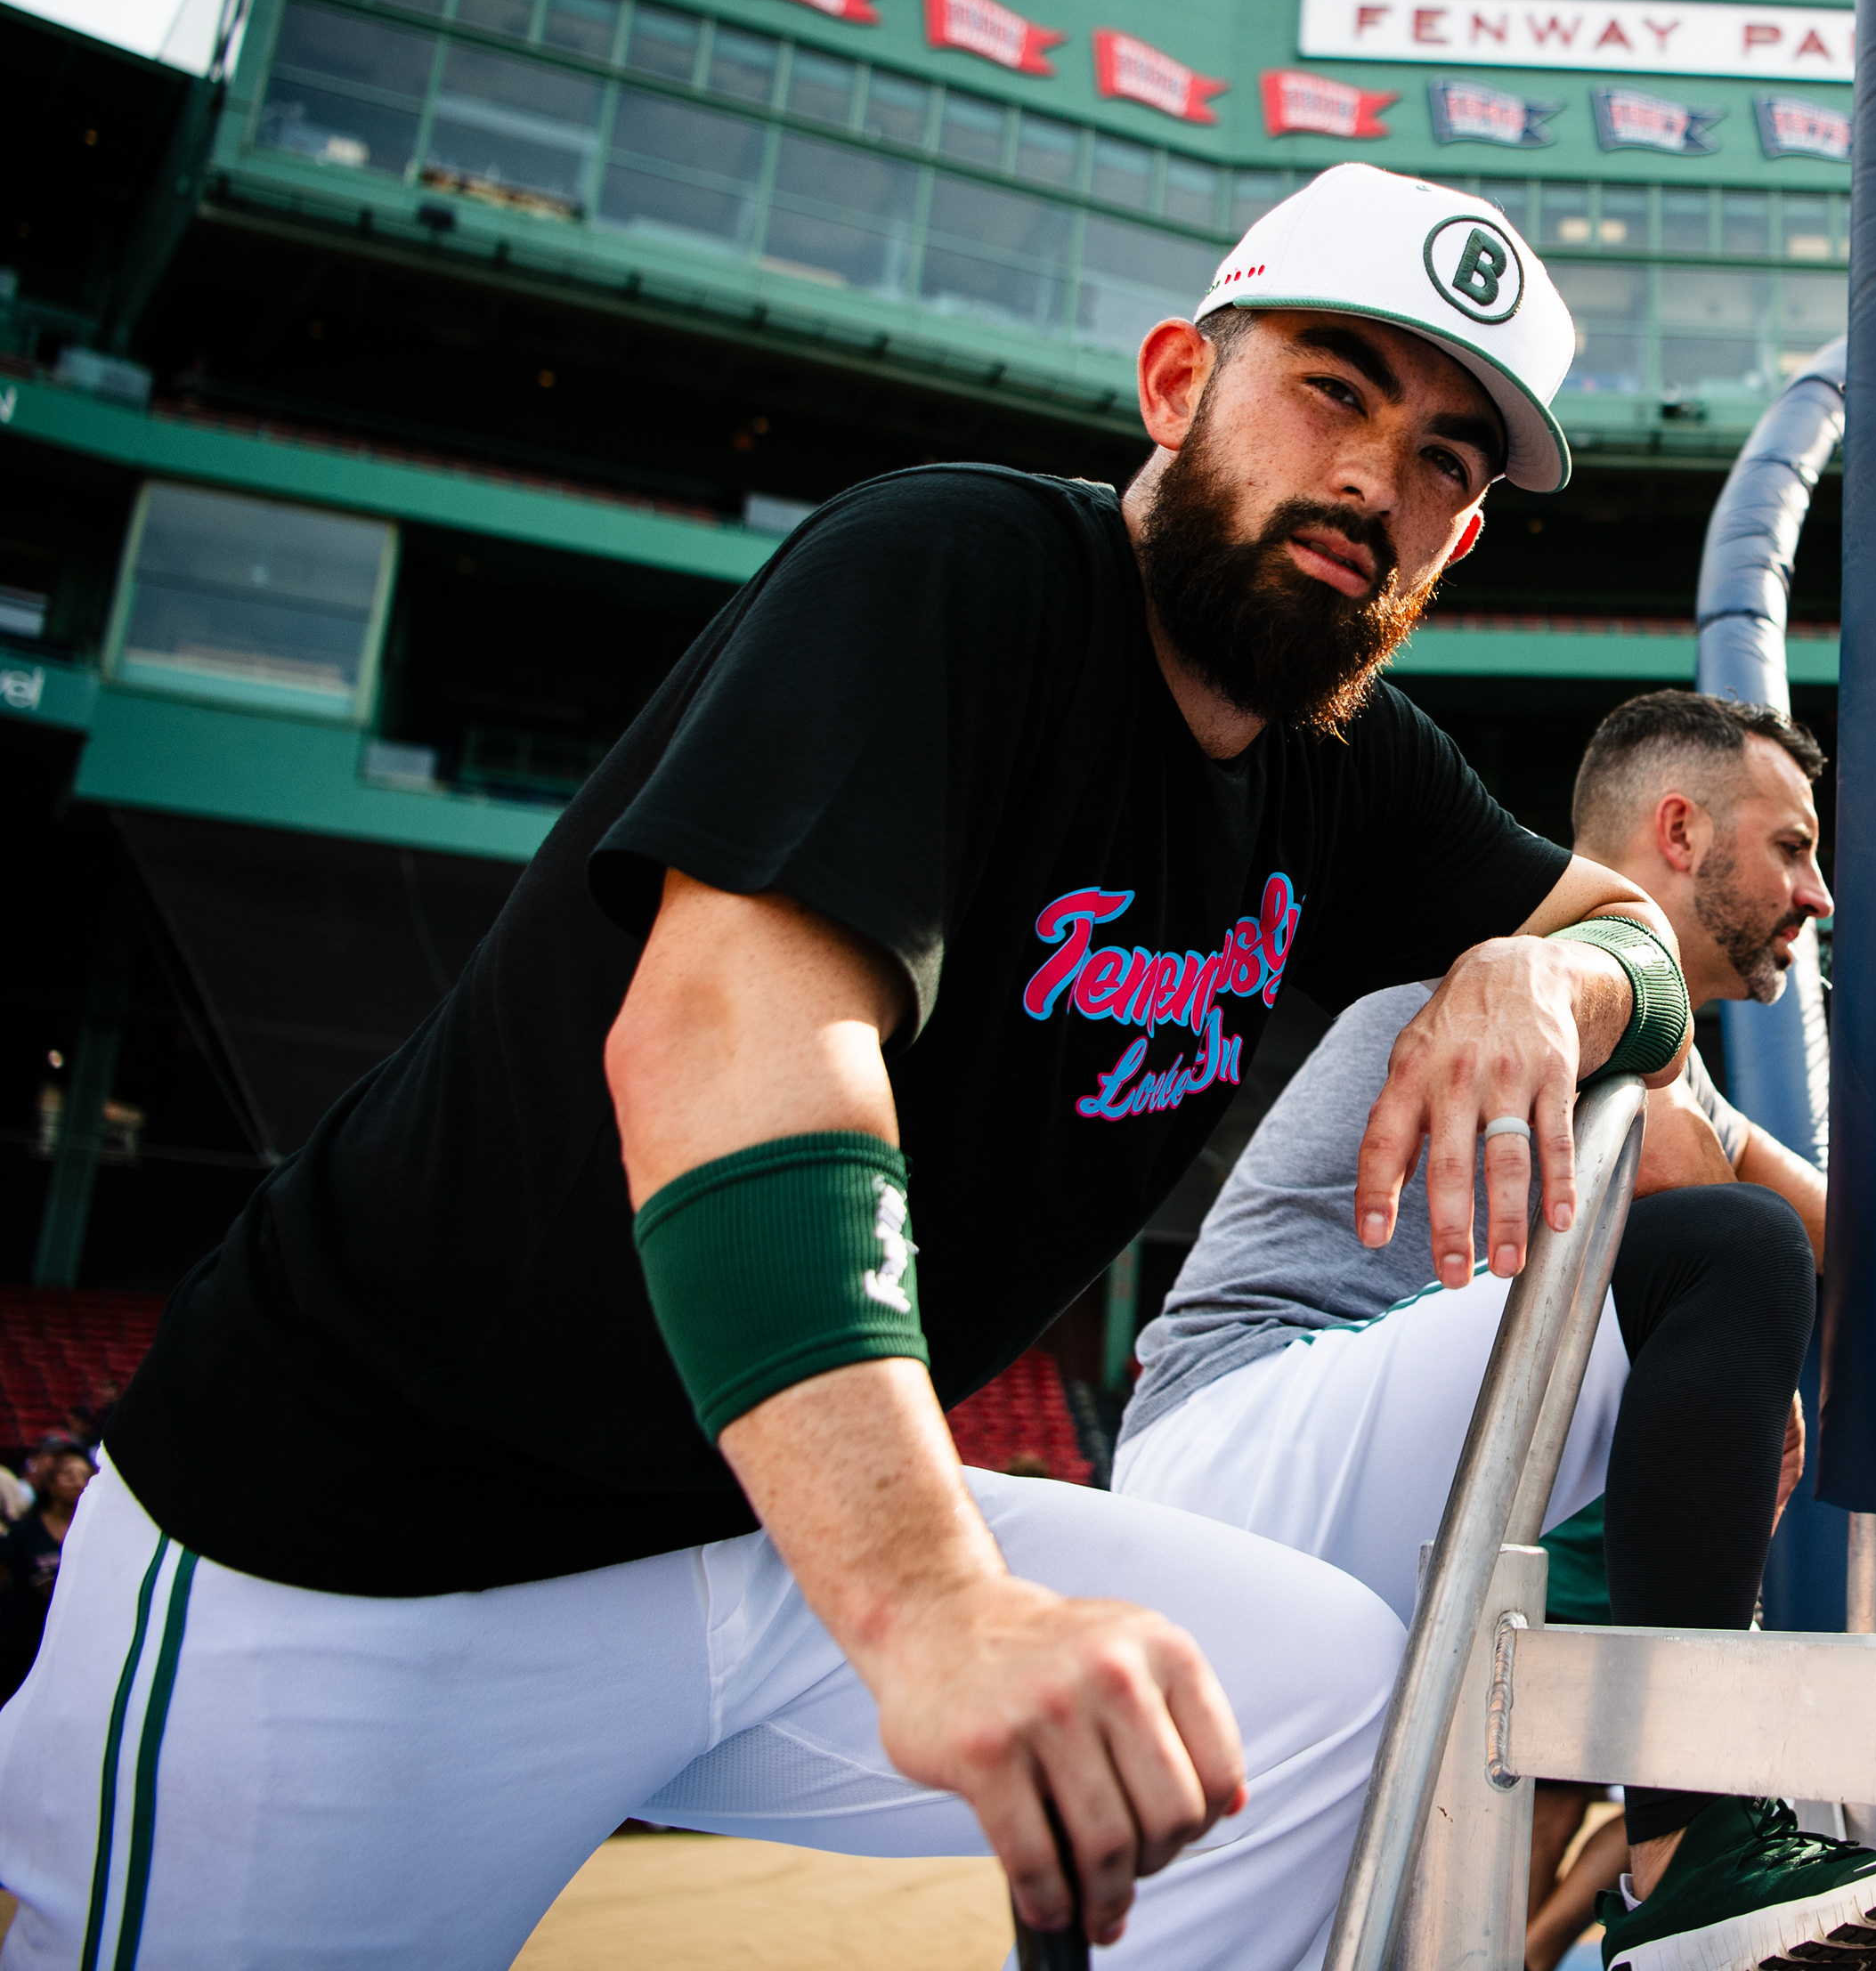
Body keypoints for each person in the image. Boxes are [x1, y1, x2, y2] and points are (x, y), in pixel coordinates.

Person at [0, 163, 1693, 1967]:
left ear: (1463, 540)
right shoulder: (956, 568)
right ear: (1180, 382)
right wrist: (934, 1599)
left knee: (1322, 1698)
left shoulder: (1345, 763)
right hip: (380, 1543)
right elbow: (727, 1033)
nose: (1377, 476)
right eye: (1336, 387)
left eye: (1447, 456)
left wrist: (1547, 976)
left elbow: (1639, 934)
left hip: (762, 1540)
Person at [1116, 691, 1876, 1971]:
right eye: (1793, 848)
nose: (1821, 896)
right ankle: (1691, 1858)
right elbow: (1717, 1209)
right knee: (1728, 1265)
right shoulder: (1534, 971)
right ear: (1680, 832)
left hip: (1365, 1511)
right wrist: (1758, 1363)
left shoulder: (1667, 1066)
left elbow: (1824, 1218)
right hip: (1242, 1443)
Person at [0, 1440, 91, 1704]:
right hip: (21, 1640)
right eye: (69, 1475)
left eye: (85, 1476)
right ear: (50, 1483)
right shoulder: (25, 1531)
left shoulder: (96, 1533)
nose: (78, 1482)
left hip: (72, 1643)